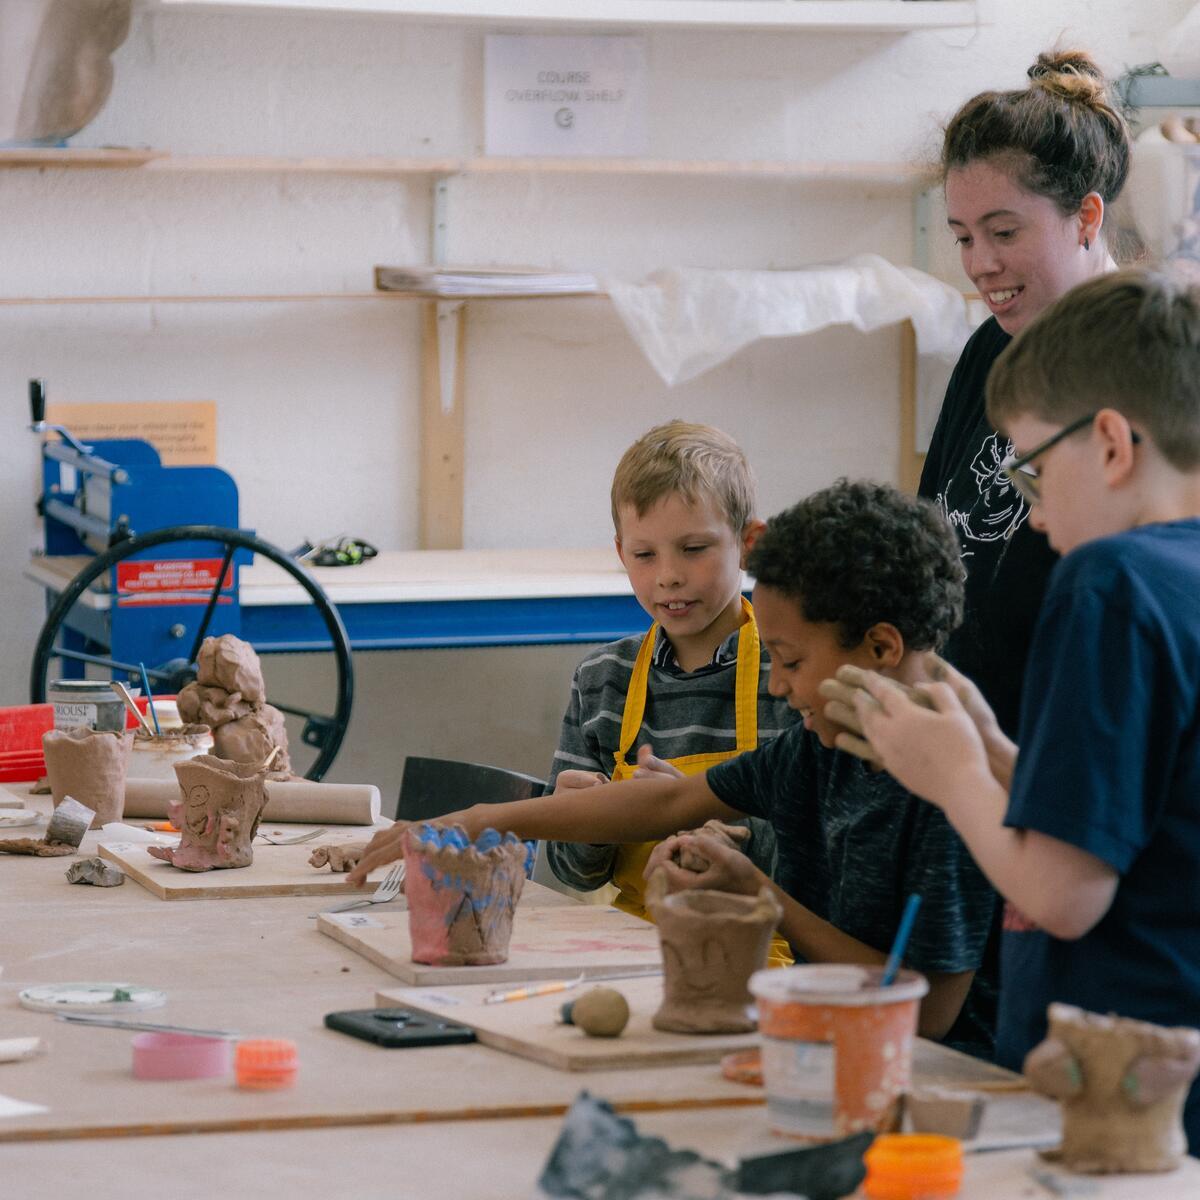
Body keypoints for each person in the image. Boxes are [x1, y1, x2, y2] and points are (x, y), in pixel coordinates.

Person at [351, 481, 997, 1053]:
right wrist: (480, 819)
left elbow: (930, 1014)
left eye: (792, 663)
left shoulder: (950, 788)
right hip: (828, 1043)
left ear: (882, 647)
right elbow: (664, 803)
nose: (778, 687)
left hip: (940, 1081)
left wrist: (760, 895)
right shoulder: (817, 751)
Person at [850, 271, 1200, 1148]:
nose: (1036, 518)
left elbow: (1066, 893)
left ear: (1112, 444)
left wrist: (950, 775)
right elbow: (1141, 817)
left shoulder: (1110, 581)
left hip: (1114, 1088)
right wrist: (1000, 753)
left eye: (1035, 470)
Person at [920, 49, 1131, 738]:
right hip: (961, 758)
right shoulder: (992, 346)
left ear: (1087, 218)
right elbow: (929, 533)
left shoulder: (1150, 367)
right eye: (963, 237)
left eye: (1004, 232)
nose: (981, 264)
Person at [541, 420, 792, 935]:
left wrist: (696, 810)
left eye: (694, 549)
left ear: (748, 543)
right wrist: (586, 821)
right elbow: (574, 874)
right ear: (620, 554)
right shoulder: (601, 680)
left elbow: (824, 862)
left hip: (765, 951)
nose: (668, 576)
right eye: (644, 554)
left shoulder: (790, 672)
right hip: (632, 946)